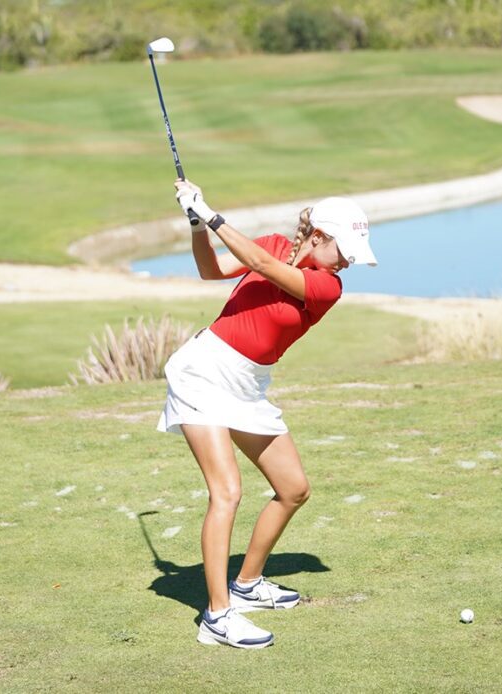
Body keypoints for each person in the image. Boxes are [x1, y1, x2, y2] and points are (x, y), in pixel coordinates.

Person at [157, 179, 376, 649]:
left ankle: (247, 583)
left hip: (248, 385)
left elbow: (262, 266)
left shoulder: (326, 286)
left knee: (293, 489)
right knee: (227, 493)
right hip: (203, 371)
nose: (350, 260)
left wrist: (212, 213)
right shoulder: (275, 245)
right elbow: (210, 269)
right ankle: (218, 616)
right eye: (345, 248)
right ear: (317, 234)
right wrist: (197, 223)